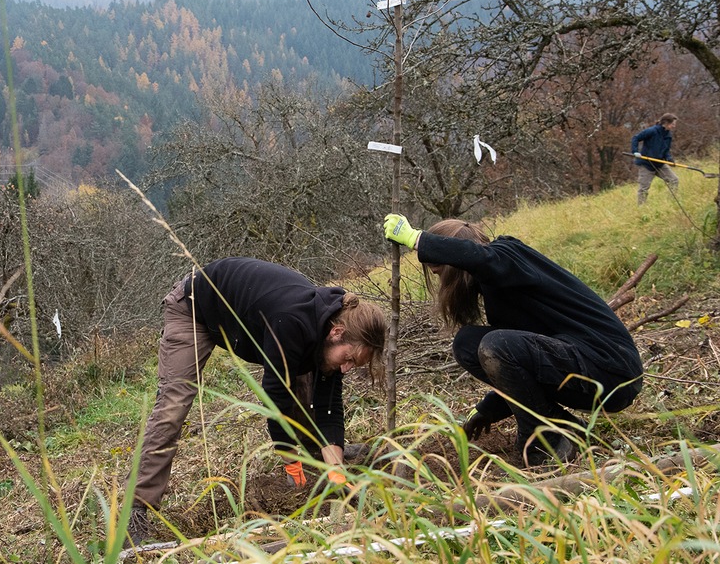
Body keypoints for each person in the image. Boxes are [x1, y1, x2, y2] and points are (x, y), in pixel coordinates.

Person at [126, 257, 387, 546]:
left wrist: (337, 471)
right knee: (173, 405)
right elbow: (274, 394)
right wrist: (288, 456)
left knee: (306, 380)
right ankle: (136, 509)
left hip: (255, 319)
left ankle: (317, 456)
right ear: (336, 334)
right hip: (194, 308)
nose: (347, 368)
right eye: (349, 358)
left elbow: (329, 404)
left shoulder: (333, 324)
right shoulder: (294, 320)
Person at [382, 214, 643, 467]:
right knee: (469, 344)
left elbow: (483, 259)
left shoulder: (507, 254)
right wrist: (488, 408)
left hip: (613, 371)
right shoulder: (501, 288)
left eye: (440, 271)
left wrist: (418, 239)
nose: (441, 280)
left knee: (496, 343)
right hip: (583, 367)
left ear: (457, 257)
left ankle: (544, 438)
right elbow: (521, 364)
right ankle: (565, 429)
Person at [632, 113, 679, 204]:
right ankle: (641, 208)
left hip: (660, 164)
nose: (674, 126)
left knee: (674, 180)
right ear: (665, 123)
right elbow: (635, 138)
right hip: (646, 165)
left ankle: (672, 203)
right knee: (644, 189)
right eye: (672, 124)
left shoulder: (668, 135)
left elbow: (666, 150)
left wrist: (669, 159)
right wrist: (635, 151)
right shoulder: (652, 131)